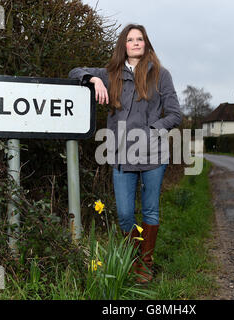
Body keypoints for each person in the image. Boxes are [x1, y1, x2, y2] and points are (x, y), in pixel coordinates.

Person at [68, 24, 182, 283]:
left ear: (146, 43)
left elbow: (175, 114)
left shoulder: (161, 75)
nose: (136, 43)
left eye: (140, 39)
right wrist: (93, 79)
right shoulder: (111, 73)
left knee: (150, 211)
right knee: (125, 214)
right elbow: (75, 71)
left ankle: (145, 264)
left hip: (153, 154)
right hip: (121, 155)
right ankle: (136, 255)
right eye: (130, 39)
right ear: (124, 45)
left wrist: (153, 129)